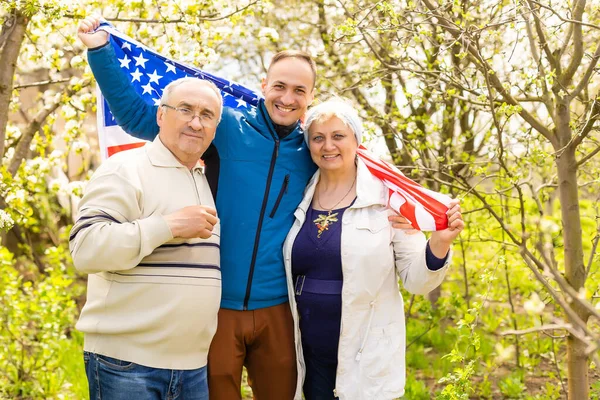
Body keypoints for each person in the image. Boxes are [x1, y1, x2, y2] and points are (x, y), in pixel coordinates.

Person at [77, 16, 317, 399]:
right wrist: (101, 51)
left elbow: (351, 176)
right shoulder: (225, 127)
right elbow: (140, 117)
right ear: (264, 87)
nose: (287, 98)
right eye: (280, 86)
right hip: (215, 309)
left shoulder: (314, 151)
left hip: (277, 309)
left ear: (310, 97)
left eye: (299, 91)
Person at [282, 99, 465, 400]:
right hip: (306, 355)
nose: (328, 145)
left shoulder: (389, 199)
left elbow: (416, 280)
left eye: (338, 136)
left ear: (356, 140)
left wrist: (440, 242)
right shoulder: (298, 193)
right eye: (318, 137)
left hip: (363, 356)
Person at [69, 77, 223, 399]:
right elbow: (85, 248)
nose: (196, 122)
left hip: (193, 367)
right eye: (185, 110)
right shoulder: (126, 168)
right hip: (126, 364)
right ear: (161, 116)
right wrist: (169, 226)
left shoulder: (205, 179)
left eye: (207, 115)